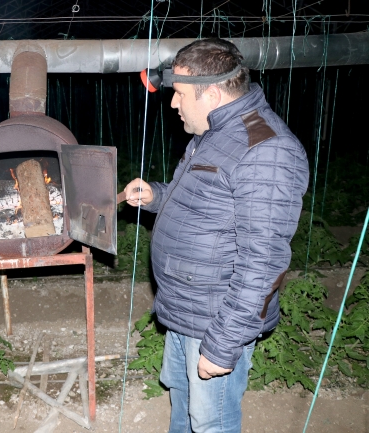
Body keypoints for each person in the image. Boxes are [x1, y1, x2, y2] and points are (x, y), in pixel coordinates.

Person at [124, 38, 309, 433]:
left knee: (211, 422)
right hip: (184, 309)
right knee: (182, 404)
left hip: (215, 321)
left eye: (179, 94)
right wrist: (156, 195)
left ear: (210, 92)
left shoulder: (266, 149)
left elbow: (262, 264)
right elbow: (206, 201)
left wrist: (223, 345)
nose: (173, 104)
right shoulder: (216, 131)